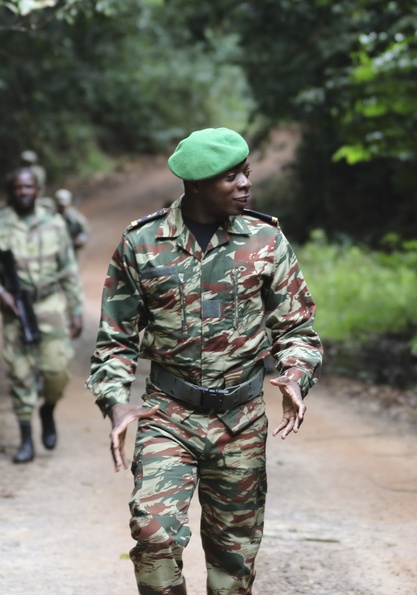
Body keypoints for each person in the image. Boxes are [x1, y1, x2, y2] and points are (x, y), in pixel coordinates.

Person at [86, 127, 323, 595]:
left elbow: (296, 329)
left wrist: (296, 377)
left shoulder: (265, 240)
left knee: (233, 560)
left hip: (241, 419)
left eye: (246, 173)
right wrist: (115, 402)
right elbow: (115, 341)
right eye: (230, 177)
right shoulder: (142, 243)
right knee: (153, 534)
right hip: (167, 415)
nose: (244, 184)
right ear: (195, 184)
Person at [0, 168, 84, 464]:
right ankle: (26, 440)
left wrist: (76, 309)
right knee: (20, 372)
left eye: (29, 187)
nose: (23, 192)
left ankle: (48, 408)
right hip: (13, 308)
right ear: (11, 191)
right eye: (18, 188)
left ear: (38, 189)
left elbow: (69, 269)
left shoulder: (55, 224)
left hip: (49, 304)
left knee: (56, 371)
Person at [54, 188, 90, 253]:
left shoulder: (74, 216)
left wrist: (80, 239)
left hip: (71, 248)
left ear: (69, 203)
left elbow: (85, 231)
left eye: (63, 206)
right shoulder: (51, 216)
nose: (62, 208)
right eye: (60, 205)